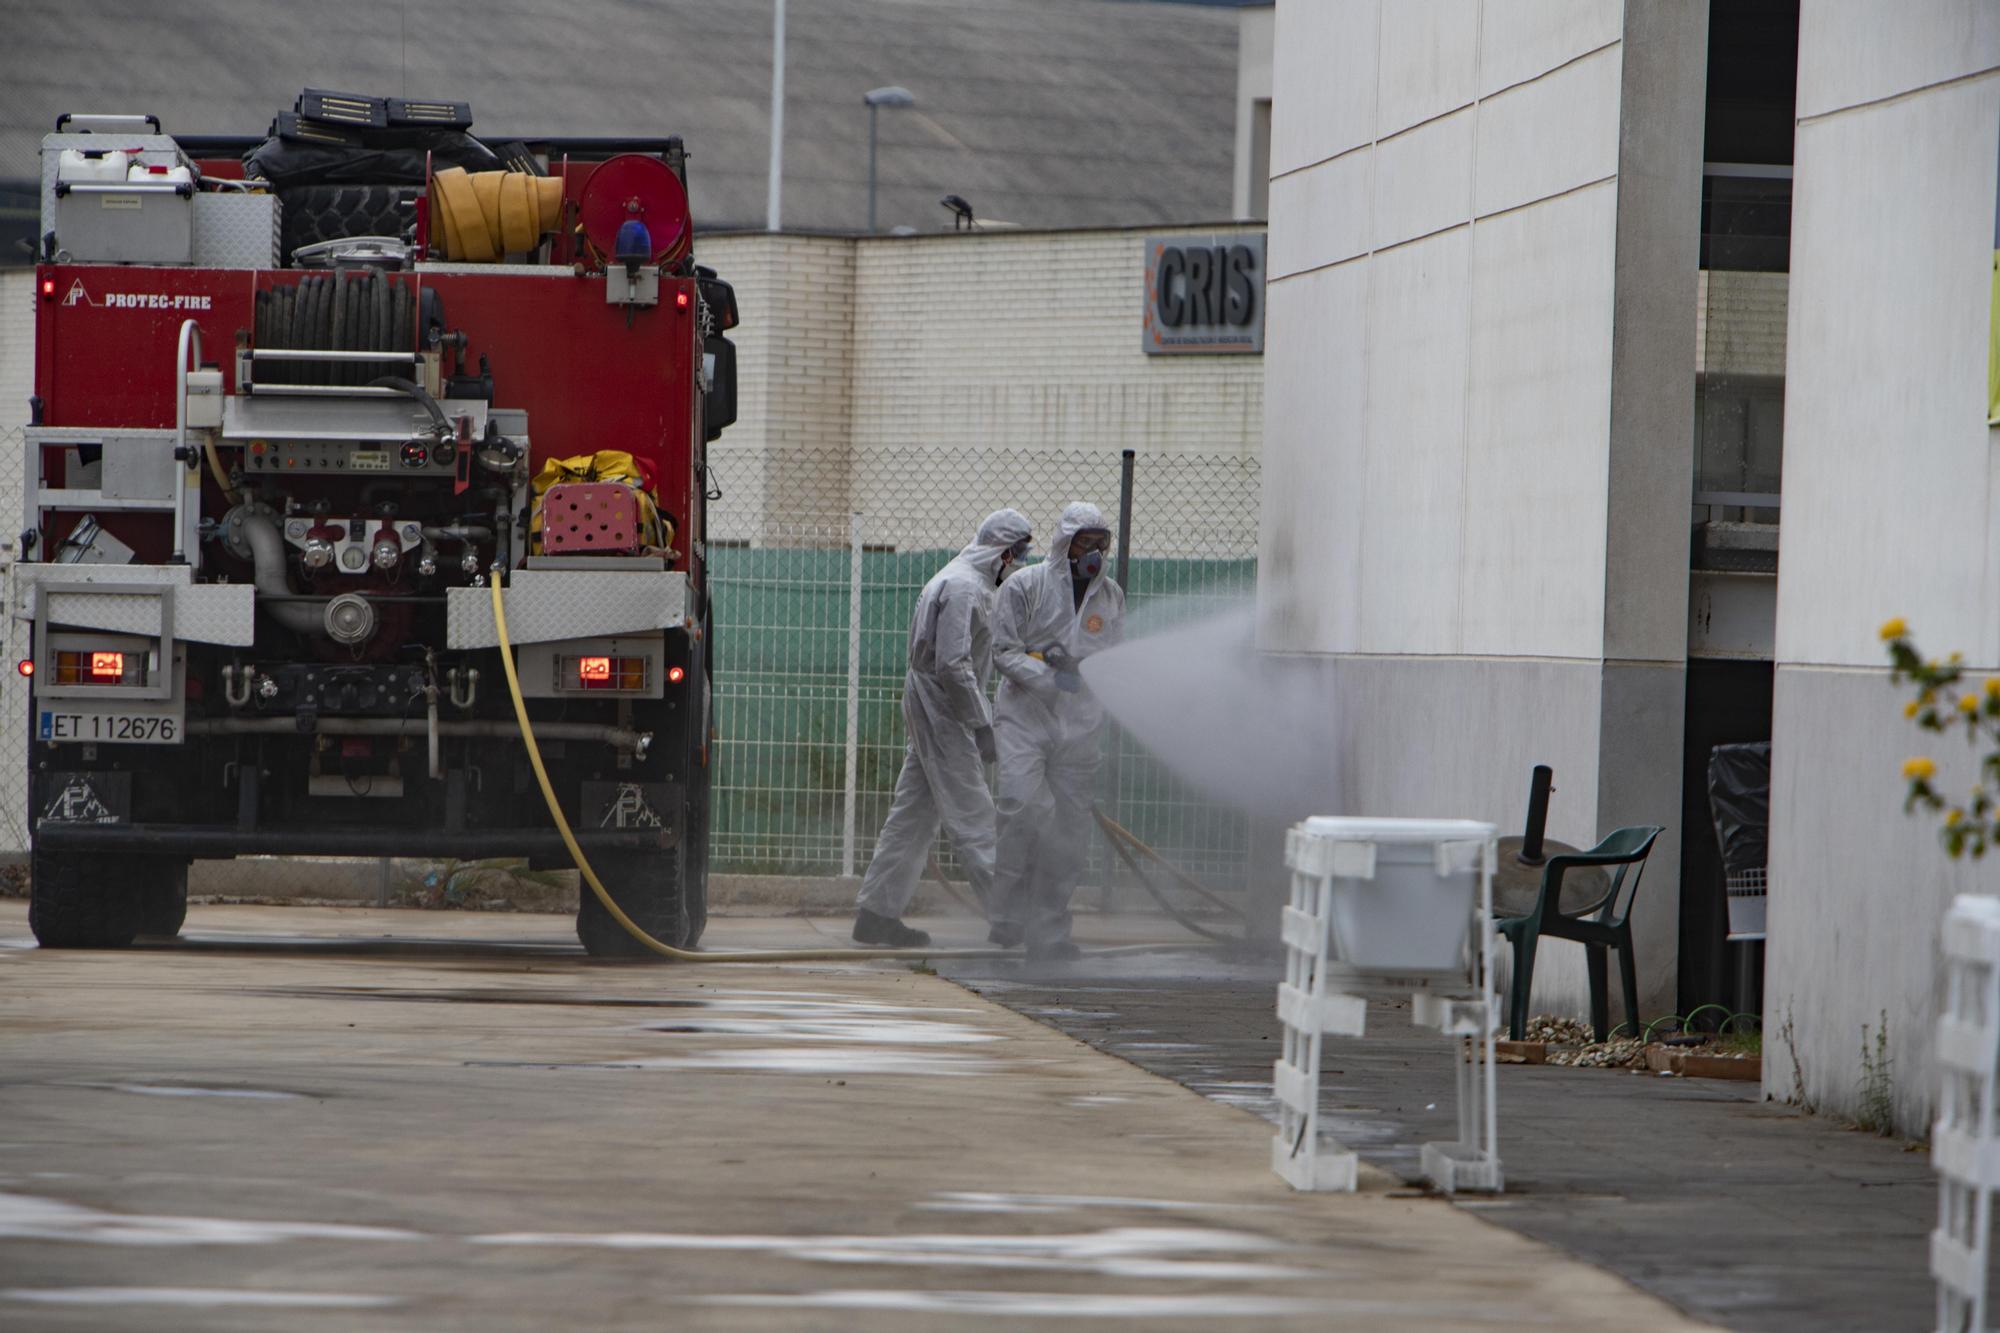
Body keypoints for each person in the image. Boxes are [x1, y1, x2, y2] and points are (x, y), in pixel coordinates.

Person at [853, 508, 1034, 947]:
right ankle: (1010, 919)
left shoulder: (963, 581)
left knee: (912, 815)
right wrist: (982, 723)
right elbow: (953, 666)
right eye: (1019, 553)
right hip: (943, 706)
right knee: (972, 810)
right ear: (1002, 551)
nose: (1020, 563)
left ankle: (876, 913)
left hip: (935, 703)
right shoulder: (963, 588)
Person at [988, 502, 1124, 960]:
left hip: (1080, 726)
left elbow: (1112, 656)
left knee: (1069, 831)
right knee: (1021, 808)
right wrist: (1048, 673)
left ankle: (1048, 930)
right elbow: (1004, 652)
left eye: (1100, 544)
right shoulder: (1025, 586)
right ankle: (1006, 916)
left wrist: (1087, 672)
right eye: (1085, 542)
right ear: (1065, 543)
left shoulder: (1111, 597)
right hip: (1025, 719)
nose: (1094, 553)